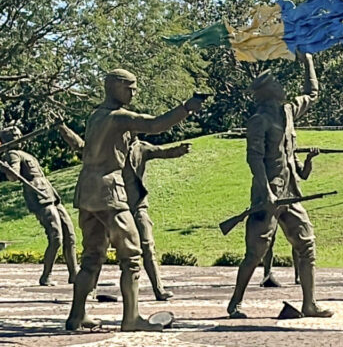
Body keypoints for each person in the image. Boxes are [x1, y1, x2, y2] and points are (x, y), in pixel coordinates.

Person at [65, 69, 205, 332]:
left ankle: (76, 316)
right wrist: (186, 107)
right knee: (131, 256)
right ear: (116, 87)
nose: (134, 92)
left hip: (86, 192)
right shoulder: (119, 117)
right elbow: (154, 125)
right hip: (110, 192)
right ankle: (131, 319)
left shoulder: (95, 116)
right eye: (131, 87)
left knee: (91, 257)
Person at [226, 52, 332, 319]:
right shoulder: (259, 120)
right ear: (266, 92)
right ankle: (235, 303)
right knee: (255, 252)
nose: (282, 86)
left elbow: (313, 93)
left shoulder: (287, 112)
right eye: (276, 83)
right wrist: (267, 192)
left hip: (292, 193)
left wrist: (308, 60)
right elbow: (254, 159)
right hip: (268, 195)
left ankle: (309, 303)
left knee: (307, 244)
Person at [58, 123, 189, 301]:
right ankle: (90, 291)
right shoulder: (110, 149)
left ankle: (159, 289)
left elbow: (163, 152)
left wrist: (179, 150)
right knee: (96, 249)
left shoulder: (142, 148)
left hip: (136, 207)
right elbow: (81, 147)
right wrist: (64, 129)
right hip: (111, 207)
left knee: (147, 246)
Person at [0, 126, 78, 287]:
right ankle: (46, 276)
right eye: (14, 135)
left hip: (50, 193)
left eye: (19, 134)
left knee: (69, 234)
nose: (19, 136)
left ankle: (74, 273)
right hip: (38, 196)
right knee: (56, 237)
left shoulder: (25, 154)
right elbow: (14, 177)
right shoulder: (12, 154)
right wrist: (7, 168)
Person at [260, 149, 319, 288]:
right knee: (268, 239)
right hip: (274, 200)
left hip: (291, 200)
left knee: (300, 238)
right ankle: (267, 274)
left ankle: (298, 275)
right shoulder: (270, 154)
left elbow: (303, 174)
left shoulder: (292, 154)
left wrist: (309, 159)